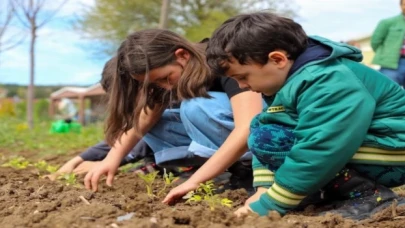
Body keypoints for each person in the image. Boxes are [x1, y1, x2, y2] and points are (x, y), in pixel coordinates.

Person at [201, 12, 405, 220]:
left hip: (394, 152)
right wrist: (264, 189)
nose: (242, 86)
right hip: (368, 148)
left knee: (287, 142)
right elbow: (265, 129)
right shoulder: (293, 79)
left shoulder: (327, 80)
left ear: (277, 59)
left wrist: (270, 205)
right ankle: (316, 194)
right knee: (264, 132)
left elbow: (322, 148)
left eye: (242, 77)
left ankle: (370, 196)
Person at [83, 29, 263, 194]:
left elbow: (248, 125)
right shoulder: (171, 77)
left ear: (182, 55)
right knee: (155, 121)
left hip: (269, 128)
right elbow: (143, 122)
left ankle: (251, 168)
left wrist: (197, 180)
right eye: (156, 84)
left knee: (195, 107)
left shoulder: (220, 60)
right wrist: (111, 159)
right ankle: (226, 169)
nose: (165, 87)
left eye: (166, 78)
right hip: (238, 128)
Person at [47, 57, 157, 180]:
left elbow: (139, 142)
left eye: (126, 96)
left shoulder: (164, 106)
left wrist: (106, 162)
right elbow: (122, 138)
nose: (125, 103)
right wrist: (76, 160)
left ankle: (161, 167)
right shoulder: (140, 109)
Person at [371, 0, 405, 86]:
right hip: (391, 64)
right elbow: (375, 42)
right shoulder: (387, 23)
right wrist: (386, 55)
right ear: (401, 6)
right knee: (390, 92)